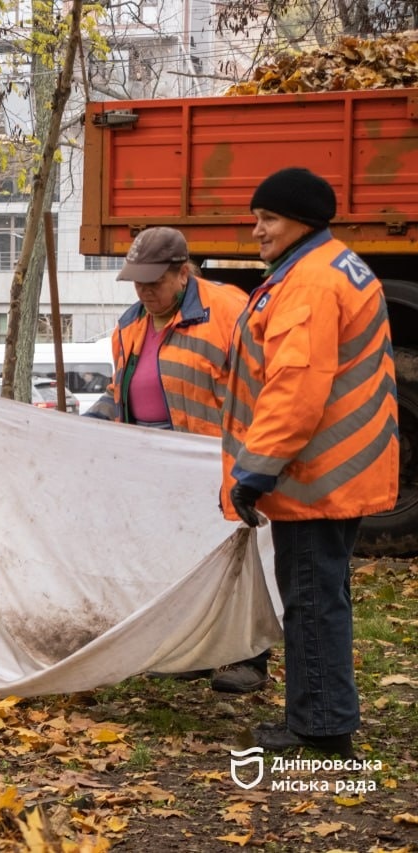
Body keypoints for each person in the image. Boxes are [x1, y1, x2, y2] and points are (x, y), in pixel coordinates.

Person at [222, 167, 398, 758]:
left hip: (314, 475)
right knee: (320, 596)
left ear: (301, 220)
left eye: (267, 218)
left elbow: (294, 387)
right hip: (334, 469)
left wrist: (255, 470)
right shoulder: (324, 268)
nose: (256, 231)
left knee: (311, 600)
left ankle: (321, 730)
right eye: (257, 217)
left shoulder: (311, 283)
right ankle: (322, 718)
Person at [85, 227, 268, 694]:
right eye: (137, 283)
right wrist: (91, 421)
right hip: (152, 464)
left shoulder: (228, 310)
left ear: (182, 273)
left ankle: (247, 657)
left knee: (235, 558)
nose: (144, 292)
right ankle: (192, 651)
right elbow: (119, 390)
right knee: (178, 562)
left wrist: (252, 456)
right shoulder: (130, 324)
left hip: (214, 458)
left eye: (154, 283)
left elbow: (259, 384)